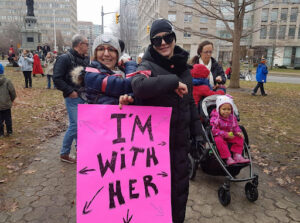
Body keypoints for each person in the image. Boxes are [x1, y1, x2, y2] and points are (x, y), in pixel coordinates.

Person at [127, 19, 202, 223]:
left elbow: (190, 104)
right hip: (154, 150)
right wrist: (171, 81)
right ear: (151, 43)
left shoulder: (184, 68)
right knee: (156, 198)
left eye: (167, 38)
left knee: (179, 195)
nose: (162, 43)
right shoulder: (146, 64)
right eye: (156, 40)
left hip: (180, 146)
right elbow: (139, 86)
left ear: (174, 38)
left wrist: (198, 135)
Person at [53, 34, 90, 164]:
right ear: (80, 45)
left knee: (81, 125)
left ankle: (80, 151)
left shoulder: (86, 59)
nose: (88, 46)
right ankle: (64, 153)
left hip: (84, 96)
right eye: (87, 43)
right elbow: (56, 78)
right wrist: (70, 91)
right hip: (73, 97)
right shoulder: (64, 58)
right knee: (75, 126)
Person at [80, 34, 137, 105]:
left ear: (117, 55)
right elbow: (131, 85)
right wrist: (130, 63)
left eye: (111, 49)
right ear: (95, 54)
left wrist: (129, 97)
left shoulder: (121, 71)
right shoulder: (92, 75)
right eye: (101, 49)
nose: (106, 54)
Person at [210, 95, 250, 166]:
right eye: (224, 109)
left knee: (240, 138)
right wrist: (225, 134)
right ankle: (228, 158)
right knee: (218, 140)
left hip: (230, 134)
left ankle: (237, 155)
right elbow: (214, 130)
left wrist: (238, 132)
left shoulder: (232, 117)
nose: (226, 111)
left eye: (229, 109)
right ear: (219, 109)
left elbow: (235, 126)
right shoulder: (216, 118)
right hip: (219, 135)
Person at [0, 63, 17, 137]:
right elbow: (12, 92)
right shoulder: (7, 81)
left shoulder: (7, 81)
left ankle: (1, 133)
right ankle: (9, 131)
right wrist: (11, 100)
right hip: (6, 104)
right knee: (8, 118)